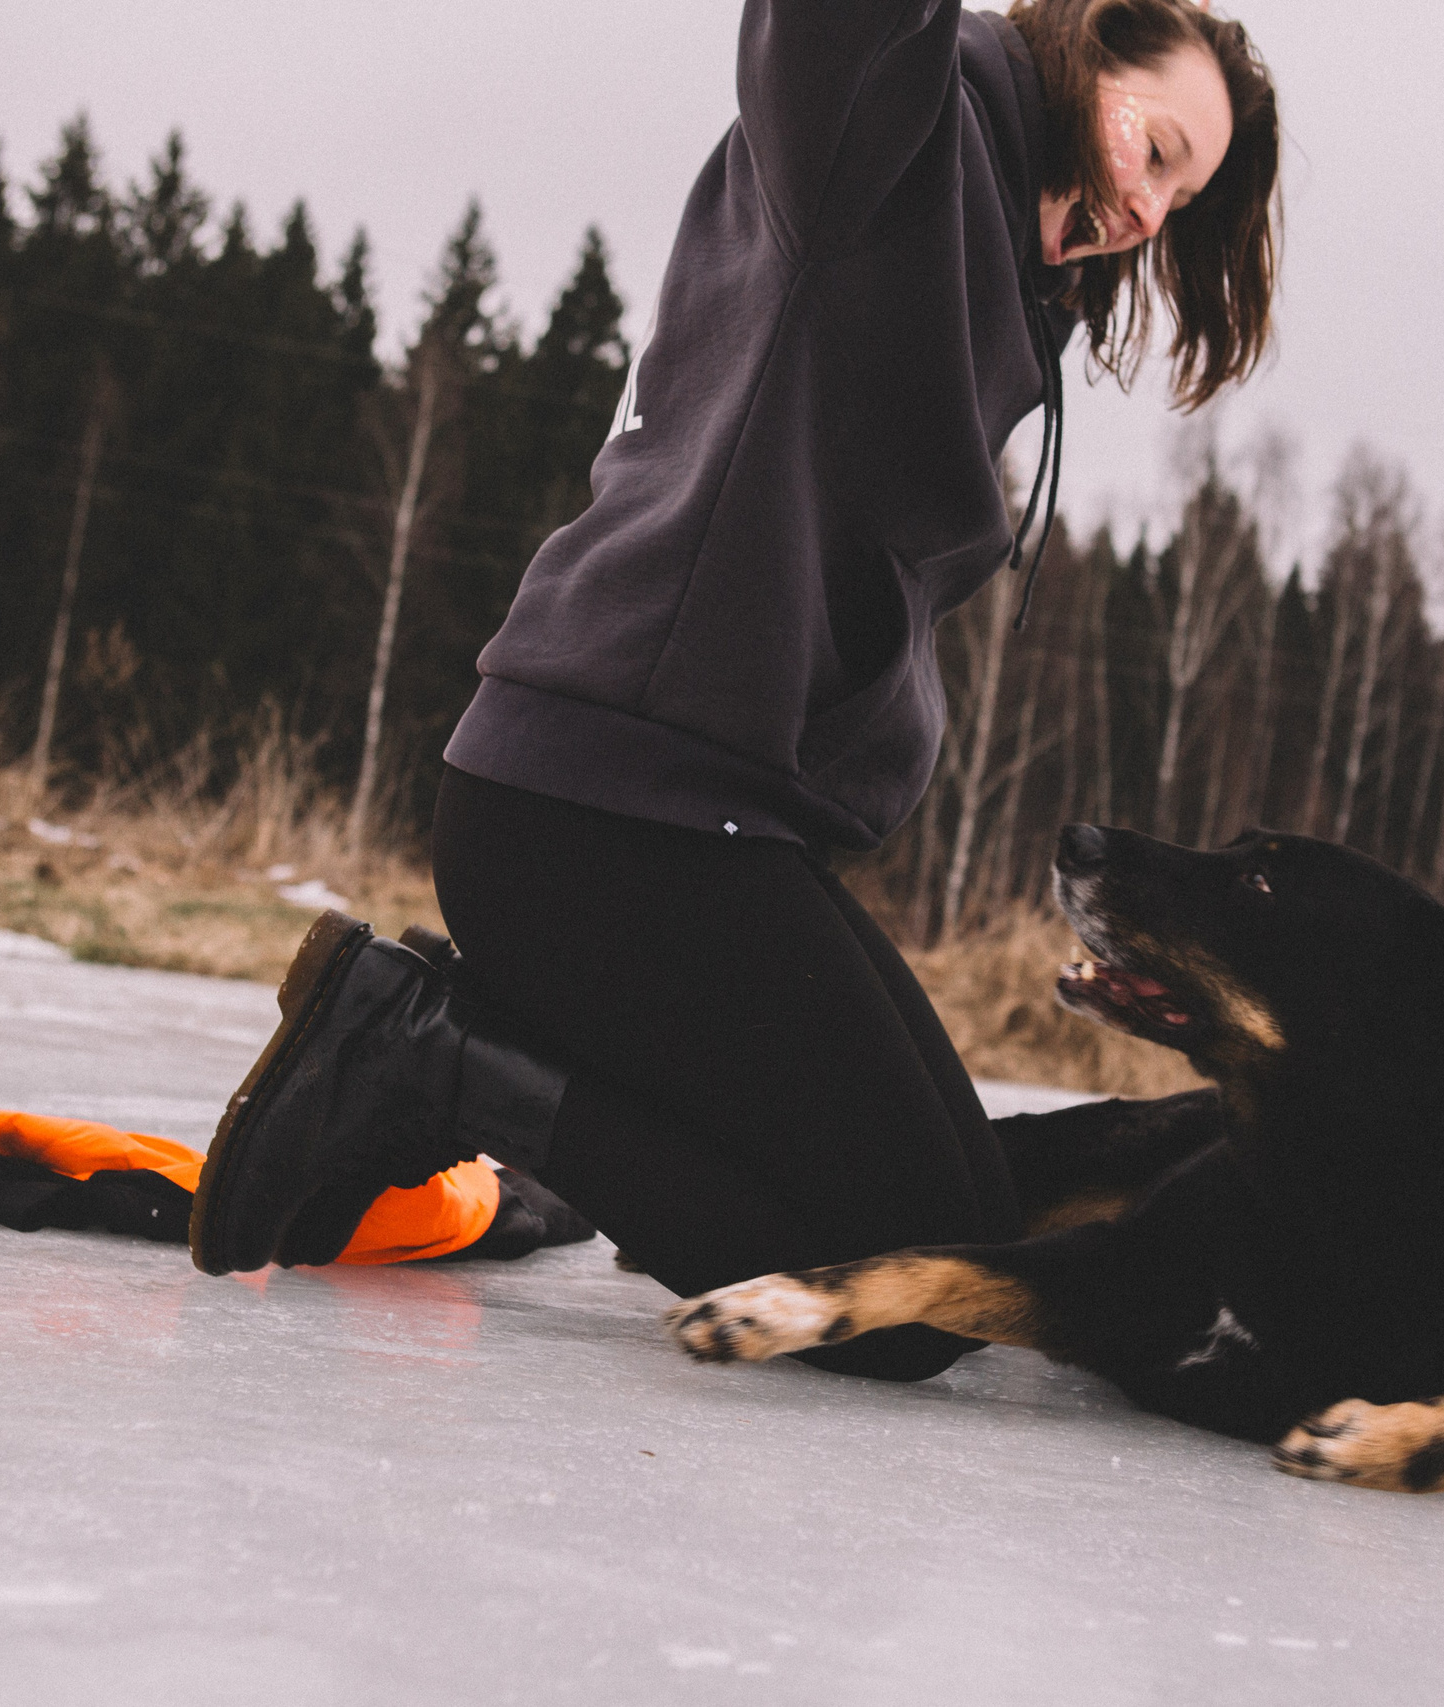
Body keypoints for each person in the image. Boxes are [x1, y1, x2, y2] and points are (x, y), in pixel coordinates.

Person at [190, 0, 1282, 1382]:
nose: (1149, 210)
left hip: (703, 826)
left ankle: (509, 1070)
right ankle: (427, 1057)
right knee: (912, 1306)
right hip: (601, 813)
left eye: (1183, 198)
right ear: (1082, 49)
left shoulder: (1002, 252)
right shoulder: (890, 123)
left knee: (966, 1226)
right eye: (1157, 149)